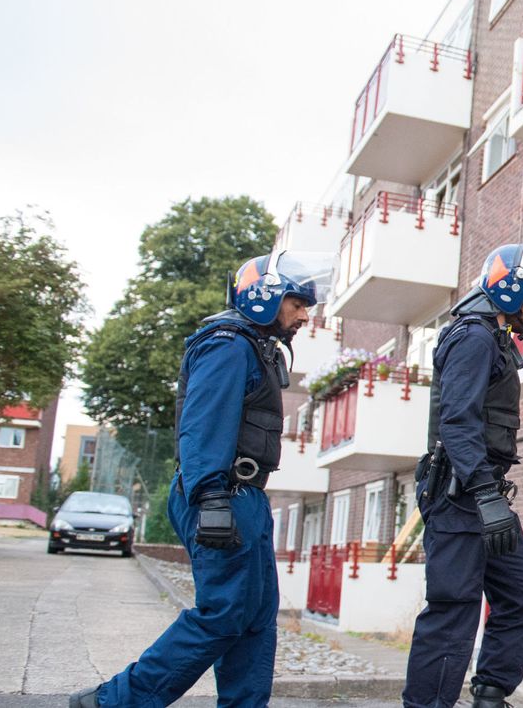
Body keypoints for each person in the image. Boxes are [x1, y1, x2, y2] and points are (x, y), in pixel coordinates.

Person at [73, 250, 332, 708]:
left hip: (241, 495)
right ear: (264, 298)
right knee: (222, 614)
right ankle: (114, 702)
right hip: (220, 493)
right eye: (297, 303)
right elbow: (203, 425)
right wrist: (211, 497)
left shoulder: (252, 345)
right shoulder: (227, 344)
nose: (305, 315)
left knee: (255, 617)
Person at [403, 240, 523, 708]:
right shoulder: (474, 337)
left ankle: (490, 694)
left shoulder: (492, 337)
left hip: (482, 496)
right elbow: (456, 422)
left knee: (522, 596)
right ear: (511, 289)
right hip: (461, 496)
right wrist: (484, 494)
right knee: (453, 610)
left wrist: (489, 497)